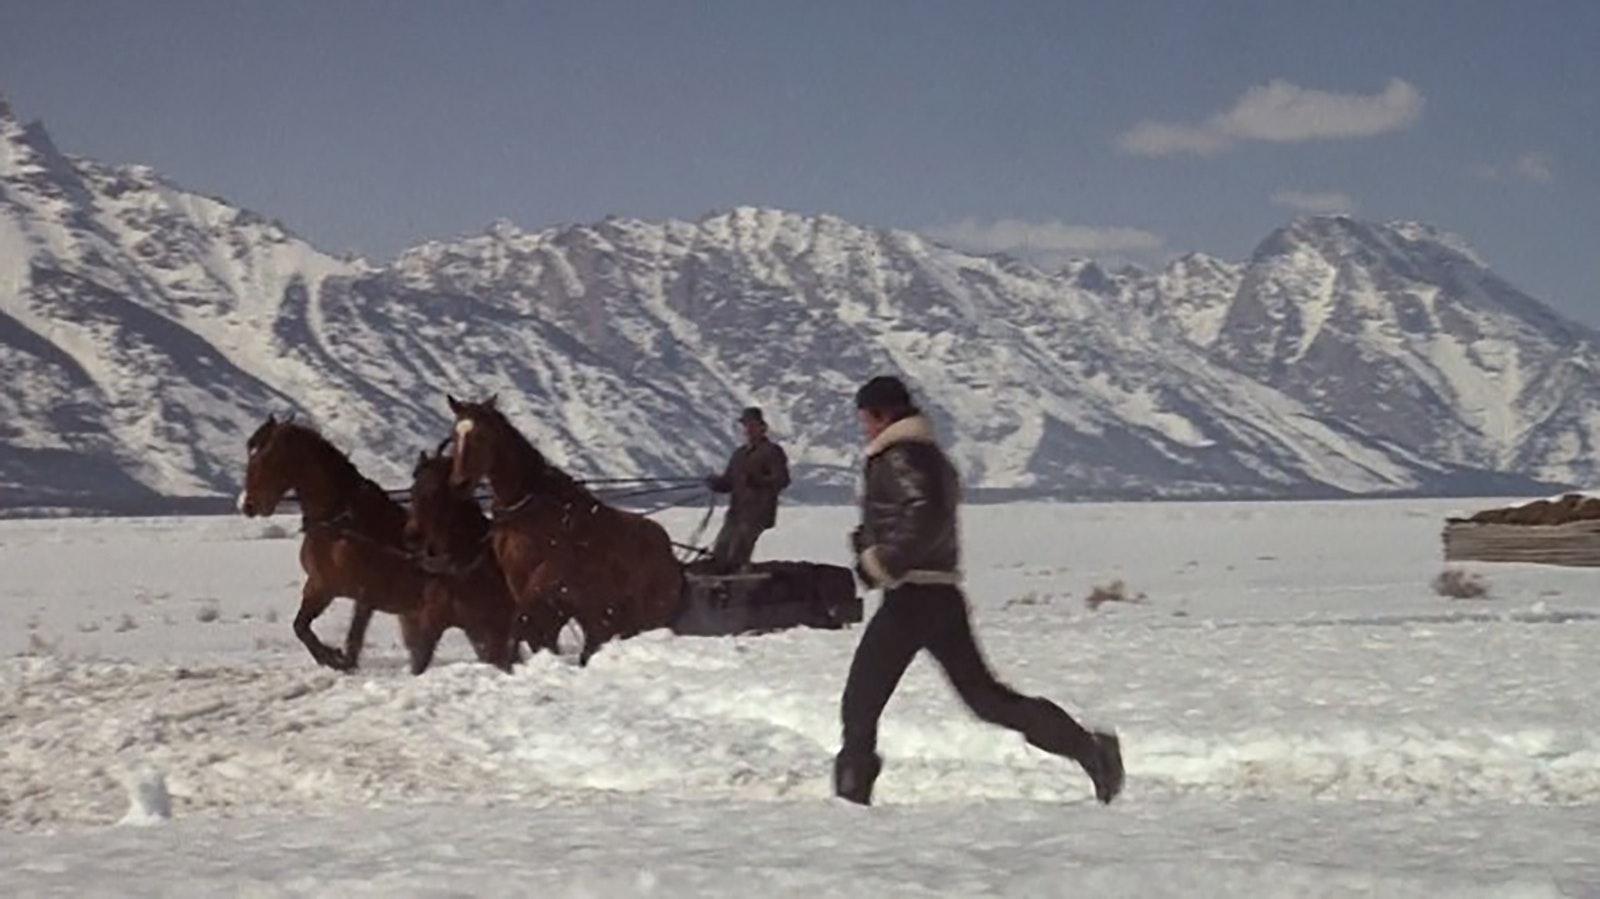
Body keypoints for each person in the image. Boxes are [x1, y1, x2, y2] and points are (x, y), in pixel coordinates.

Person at [834, 375, 1124, 807]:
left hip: (911, 598)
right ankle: (1090, 750)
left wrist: (881, 560)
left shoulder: (901, 457)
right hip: (940, 597)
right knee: (987, 700)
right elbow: (910, 517)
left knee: (860, 704)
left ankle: (849, 806)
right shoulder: (926, 455)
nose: (863, 427)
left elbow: (924, 516)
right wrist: (868, 543)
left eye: (865, 418)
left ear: (881, 414)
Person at [704, 407, 791, 573]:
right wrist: (716, 483)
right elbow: (728, 482)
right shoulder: (739, 454)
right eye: (746, 425)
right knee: (721, 549)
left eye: (752, 425)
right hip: (736, 512)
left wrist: (758, 480)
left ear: (762, 427)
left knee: (738, 552)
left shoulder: (772, 451)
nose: (748, 429)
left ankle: (736, 588)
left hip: (757, 513)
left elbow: (782, 480)